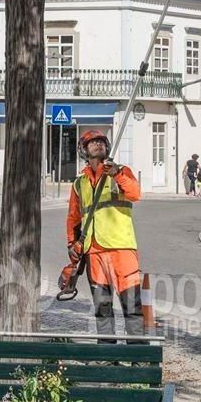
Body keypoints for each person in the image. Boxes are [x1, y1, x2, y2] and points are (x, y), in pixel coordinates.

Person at [67, 130, 143, 340]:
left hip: (122, 249)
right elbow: (74, 218)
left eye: (101, 142)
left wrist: (117, 173)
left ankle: (138, 353)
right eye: (92, 143)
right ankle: (107, 352)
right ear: (83, 150)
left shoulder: (122, 172)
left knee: (132, 305)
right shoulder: (79, 184)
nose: (98, 144)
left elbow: (135, 194)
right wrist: (72, 244)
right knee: (102, 307)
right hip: (94, 252)